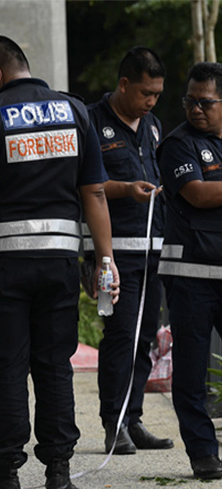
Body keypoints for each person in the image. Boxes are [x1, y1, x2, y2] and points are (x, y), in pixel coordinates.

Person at [0, 36, 116, 489]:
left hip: (4, 268)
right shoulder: (74, 112)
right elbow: (95, 194)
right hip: (59, 265)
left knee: (6, 367)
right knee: (54, 366)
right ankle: (59, 475)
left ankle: (5, 478)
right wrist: (105, 260)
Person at [87, 47, 173, 455]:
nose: (151, 101)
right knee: (120, 335)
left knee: (144, 339)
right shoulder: (91, 121)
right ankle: (113, 422)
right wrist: (125, 190)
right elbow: (84, 187)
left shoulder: (153, 125)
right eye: (144, 93)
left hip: (152, 248)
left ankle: (134, 416)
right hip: (114, 251)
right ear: (123, 84)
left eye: (156, 94)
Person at [156, 61, 222, 480]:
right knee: (193, 372)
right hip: (191, 275)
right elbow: (197, 194)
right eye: (189, 101)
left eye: (205, 102)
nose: (195, 109)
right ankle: (203, 454)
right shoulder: (178, 144)